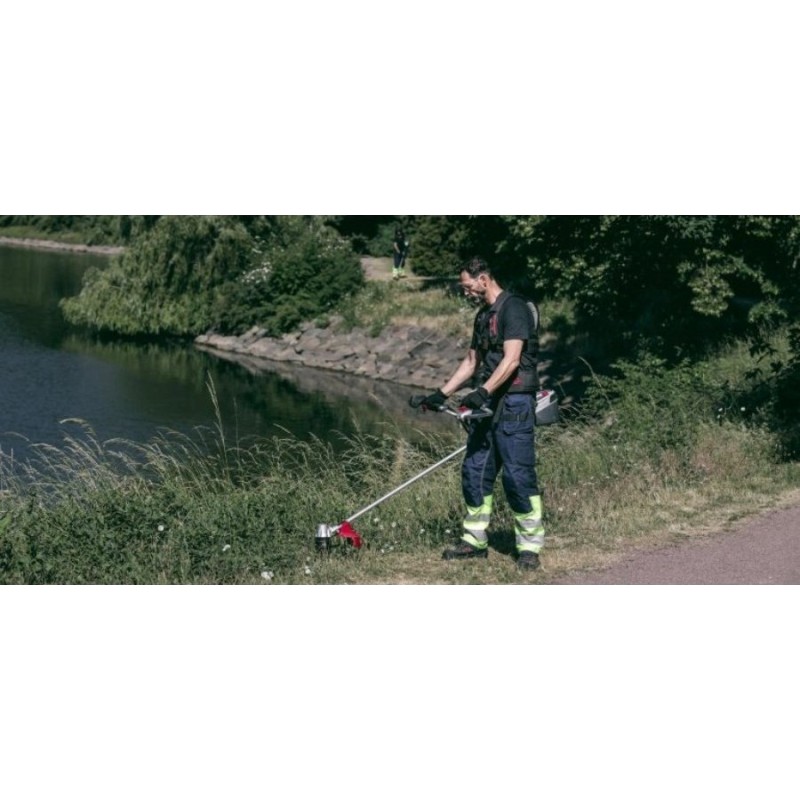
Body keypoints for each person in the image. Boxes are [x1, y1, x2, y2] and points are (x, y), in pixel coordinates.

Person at [409, 257, 545, 570]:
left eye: (468, 286)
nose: (466, 291)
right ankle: (474, 541)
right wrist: (441, 393)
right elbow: (472, 362)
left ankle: (529, 547)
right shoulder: (484, 315)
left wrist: (483, 391)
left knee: (517, 475)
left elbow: (512, 360)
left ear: (483, 279)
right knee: (475, 471)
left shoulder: (514, 309)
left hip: (514, 403)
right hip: (487, 406)